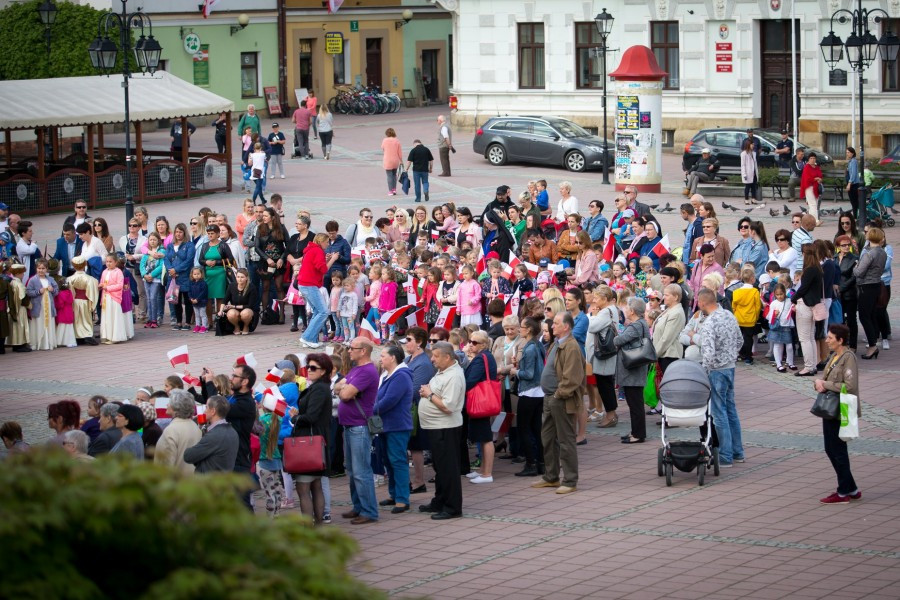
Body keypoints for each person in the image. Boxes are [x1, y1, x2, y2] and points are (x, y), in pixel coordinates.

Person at [530, 311, 583, 494]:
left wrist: (558, 395)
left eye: (556, 323)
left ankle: (570, 480)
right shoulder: (557, 343)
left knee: (566, 439)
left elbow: (572, 378)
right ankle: (551, 476)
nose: (552, 326)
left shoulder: (571, 346)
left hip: (560, 399)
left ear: (566, 326)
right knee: (548, 437)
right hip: (550, 397)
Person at [695, 287, 745, 467]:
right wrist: (730, 355)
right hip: (730, 367)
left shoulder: (710, 323)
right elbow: (740, 340)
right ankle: (737, 451)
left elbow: (708, 353)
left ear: (702, 302)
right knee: (730, 409)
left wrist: (705, 370)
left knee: (719, 413)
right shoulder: (729, 315)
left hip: (716, 370)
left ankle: (725, 454)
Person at [814, 324, 862, 504]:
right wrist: (818, 383)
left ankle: (843, 492)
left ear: (840, 340)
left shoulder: (848, 358)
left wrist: (824, 385)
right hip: (830, 408)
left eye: (830, 338)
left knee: (838, 450)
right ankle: (852, 488)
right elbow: (826, 378)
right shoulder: (834, 356)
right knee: (830, 448)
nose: (827, 341)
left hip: (842, 409)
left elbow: (849, 386)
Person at [417, 341, 466, 519]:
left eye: (436, 356)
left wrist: (429, 394)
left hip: (446, 427)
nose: (432, 359)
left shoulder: (454, 376)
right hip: (436, 427)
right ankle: (440, 500)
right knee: (440, 467)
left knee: (448, 468)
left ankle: (453, 507)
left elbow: (448, 406)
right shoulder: (443, 371)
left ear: (447, 357)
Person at [334, 338, 380, 524]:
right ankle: (358, 506)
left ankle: (369, 511)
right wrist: (345, 388)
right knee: (353, 471)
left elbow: (343, 393)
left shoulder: (367, 371)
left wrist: (345, 389)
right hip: (350, 425)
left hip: (359, 426)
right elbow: (337, 386)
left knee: (361, 471)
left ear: (363, 351)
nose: (348, 351)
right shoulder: (356, 369)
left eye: (352, 348)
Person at [290, 352, 334, 525]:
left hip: (309, 442)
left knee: (304, 487)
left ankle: (309, 527)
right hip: (315, 441)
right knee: (316, 485)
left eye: (314, 368)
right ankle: (318, 523)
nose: (309, 370)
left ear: (323, 371)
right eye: (308, 366)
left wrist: (296, 418)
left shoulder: (319, 390)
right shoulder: (319, 387)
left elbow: (312, 416)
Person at [374, 345, 415, 514]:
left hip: (397, 425)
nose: (380, 359)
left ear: (393, 358)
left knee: (397, 461)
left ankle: (402, 498)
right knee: (387, 461)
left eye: (383, 355)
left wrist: (369, 411)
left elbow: (389, 400)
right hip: (386, 425)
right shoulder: (386, 375)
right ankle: (394, 494)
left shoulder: (401, 376)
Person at [508, 317, 545, 476]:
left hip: (529, 392)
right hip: (538, 392)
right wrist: (519, 364)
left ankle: (531, 463)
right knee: (536, 429)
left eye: (522, 327)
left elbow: (528, 374)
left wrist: (515, 371)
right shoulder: (538, 345)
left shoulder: (530, 348)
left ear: (529, 329)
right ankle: (541, 462)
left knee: (524, 429)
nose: (519, 329)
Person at [613, 298, 652, 444]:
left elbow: (618, 341)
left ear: (633, 311)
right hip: (636, 368)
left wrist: (616, 336)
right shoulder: (641, 324)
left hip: (632, 369)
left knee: (635, 403)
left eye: (628, 308)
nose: (625, 310)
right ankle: (637, 431)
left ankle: (638, 434)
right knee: (635, 403)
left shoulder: (635, 326)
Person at [463, 330, 498, 484]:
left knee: (485, 437)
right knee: (483, 437)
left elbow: (470, 380)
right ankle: (483, 470)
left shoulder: (481, 358)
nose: (471, 344)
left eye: (474, 342)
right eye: (470, 341)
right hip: (483, 400)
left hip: (480, 401)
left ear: (483, 344)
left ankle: (487, 473)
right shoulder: (485, 356)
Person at [854, 227, 888, 360]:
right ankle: (873, 343)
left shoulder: (870, 254)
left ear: (870, 237)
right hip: (876, 285)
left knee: (864, 316)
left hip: (866, 286)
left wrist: (856, 266)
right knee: (872, 315)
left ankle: (872, 345)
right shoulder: (882, 252)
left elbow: (859, 272)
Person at [184, 395, 240, 474]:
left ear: (213, 411)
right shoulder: (232, 431)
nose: (204, 411)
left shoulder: (216, 435)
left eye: (206, 407)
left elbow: (188, 456)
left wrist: (196, 430)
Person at [153, 390, 202, 474]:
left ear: (175, 407)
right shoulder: (195, 427)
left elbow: (165, 464)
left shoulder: (171, 430)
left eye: (169, 402)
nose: (167, 405)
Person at [794, 244, 824, 375]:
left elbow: (803, 288)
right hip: (813, 304)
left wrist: (793, 298)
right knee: (810, 337)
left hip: (805, 305)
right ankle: (813, 365)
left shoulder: (809, 270)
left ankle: (808, 366)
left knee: (805, 338)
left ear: (805, 254)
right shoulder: (817, 268)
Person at [165, 223, 196, 331]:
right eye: (176, 232)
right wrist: (170, 270)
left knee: (187, 300)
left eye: (180, 232)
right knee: (175, 300)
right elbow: (166, 259)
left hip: (185, 276)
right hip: (173, 277)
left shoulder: (189, 245)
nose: (178, 234)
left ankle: (187, 322)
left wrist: (176, 269)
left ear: (184, 232)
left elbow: (189, 260)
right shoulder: (170, 245)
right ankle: (178, 322)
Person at [25, 259, 58, 351]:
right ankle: (37, 342)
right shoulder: (32, 280)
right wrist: (39, 291)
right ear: (36, 269)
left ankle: (48, 342)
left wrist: (52, 290)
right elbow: (28, 292)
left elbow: (56, 291)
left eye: (43, 268)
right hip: (38, 307)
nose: (41, 270)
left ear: (47, 269)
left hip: (48, 306)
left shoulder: (51, 279)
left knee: (48, 322)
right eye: (39, 268)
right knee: (39, 322)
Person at [653, 284, 686, 373]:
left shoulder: (677, 313)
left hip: (669, 356)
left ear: (675, 297)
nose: (664, 297)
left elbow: (666, 338)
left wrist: (654, 354)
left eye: (667, 295)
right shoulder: (670, 310)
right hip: (663, 354)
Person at [219, 267, 259, 335]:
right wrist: (220, 311)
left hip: (248, 309)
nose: (239, 279)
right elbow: (224, 300)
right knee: (231, 314)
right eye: (238, 277)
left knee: (245, 313)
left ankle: (246, 326)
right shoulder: (231, 286)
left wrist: (234, 306)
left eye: (242, 277)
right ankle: (236, 326)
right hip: (235, 309)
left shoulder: (252, 287)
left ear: (246, 278)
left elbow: (250, 305)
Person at [98, 253, 127, 345]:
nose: (108, 263)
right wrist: (100, 286)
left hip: (114, 297)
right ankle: (106, 335)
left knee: (113, 316)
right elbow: (102, 282)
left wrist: (108, 288)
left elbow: (120, 285)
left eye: (110, 262)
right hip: (106, 297)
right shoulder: (104, 272)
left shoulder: (118, 272)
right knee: (106, 317)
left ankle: (115, 336)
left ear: (115, 262)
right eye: (107, 262)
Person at [406, 139, 434, 203]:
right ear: (420, 143)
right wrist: (430, 168)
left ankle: (418, 198)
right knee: (425, 182)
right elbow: (431, 160)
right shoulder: (426, 149)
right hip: (425, 170)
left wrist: (406, 169)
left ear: (415, 144)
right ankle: (425, 190)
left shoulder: (413, 150)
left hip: (416, 171)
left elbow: (409, 161)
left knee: (417, 185)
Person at [800, 152, 824, 224]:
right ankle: (816, 221)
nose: (813, 160)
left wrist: (819, 179)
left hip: (816, 187)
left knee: (812, 204)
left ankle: (810, 221)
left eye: (814, 158)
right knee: (813, 204)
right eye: (811, 158)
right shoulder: (806, 167)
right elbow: (807, 179)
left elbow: (820, 176)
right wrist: (816, 179)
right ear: (808, 159)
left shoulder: (817, 167)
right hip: (809, 187)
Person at [381, 128, 403, 196]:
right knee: (394, 175)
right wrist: (401, 161)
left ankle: (390, 191)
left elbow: (382, 148)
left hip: (388, 160)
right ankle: (394, 189)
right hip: (395, 160)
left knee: (389, 176)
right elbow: (400, 152)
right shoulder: (397, 141)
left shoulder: (385, 140)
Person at [740, 138, 759, 205]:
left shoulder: (754, 153)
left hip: (753, 173)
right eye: (752, 144)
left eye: (753, 144)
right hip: (747, 173)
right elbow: (743, 165)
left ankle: (753, 199)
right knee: (747, 187)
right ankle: (746, 199)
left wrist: (756, 172)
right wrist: (744, 174)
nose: (753, 146)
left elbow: (755, 163)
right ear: (748, 145)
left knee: (754, 187)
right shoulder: (743, 154)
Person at [845, 147, 861, 222]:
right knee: (854, 202)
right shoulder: (850, 161)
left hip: (854, 184)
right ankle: (856, 217)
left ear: (852, 153)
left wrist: (849, 183)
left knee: (854, 202)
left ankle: (855, 218)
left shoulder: (853, 161)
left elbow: (854, 174)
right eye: (847, 152)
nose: (847, 154)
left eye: (848, 152)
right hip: (852, 184)